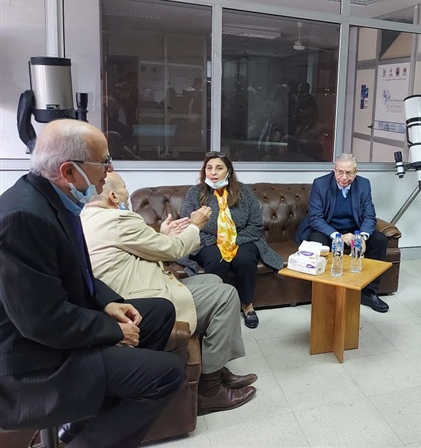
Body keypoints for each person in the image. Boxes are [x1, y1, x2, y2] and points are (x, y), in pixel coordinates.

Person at [0, 119, 183, 448]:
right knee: (167, 373)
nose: (109, 170)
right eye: (104, 161)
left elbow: (79, 272)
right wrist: (113, 331)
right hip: (33, 363)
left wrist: (108, 303)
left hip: (52, 331)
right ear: (69, 171)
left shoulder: (56, 199)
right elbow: (41, 321)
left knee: (159, 312)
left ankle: (87, 421)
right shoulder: (23, 216)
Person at [81, 171, 258, 414]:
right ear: (113, 195)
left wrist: (163, 235)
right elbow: (173, 251)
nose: (126, 192)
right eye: (124, 187)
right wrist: (195, 226)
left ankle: (213, 366)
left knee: (214, 279)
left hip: (130, 288)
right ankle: (210, 389)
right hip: (142, 297)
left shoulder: (87, 217)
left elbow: (137, 249)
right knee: (226, 296)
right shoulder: (118, 219)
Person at [180, 151, 283, 329]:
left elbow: (256, 224)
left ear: (228, 171)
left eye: (219, 168)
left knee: (245, 259)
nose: (213, 172)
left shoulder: (244, 192)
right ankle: (214, 309)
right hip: (208, 240)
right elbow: (189, 226)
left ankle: (247, 305)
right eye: (209, 168)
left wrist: (233, 241)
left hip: (242, 238)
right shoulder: (194, 193)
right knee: (216, 260)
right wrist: (217, 241)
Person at [296, 153, 389, 313]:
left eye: (349, 173)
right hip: (326, 229)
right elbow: (315, 218)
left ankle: (368, 292)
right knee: (318, 243)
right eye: (340, 172)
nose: (344, 177)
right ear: (334, 169)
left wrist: (362, 237)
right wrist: (338, 236)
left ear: (356, 172)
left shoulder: (364, 184)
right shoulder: (321, 184)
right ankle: (325, 293)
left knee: (380, 240)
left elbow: (369, 216)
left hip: (354, 229)